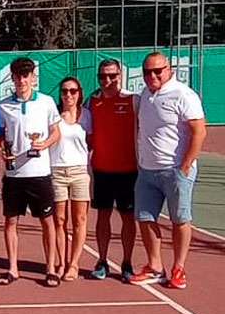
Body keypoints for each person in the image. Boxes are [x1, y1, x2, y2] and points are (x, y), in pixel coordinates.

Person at [130, 52, 206, 289]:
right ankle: (154, 266)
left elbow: (199, 132)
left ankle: (179, 268)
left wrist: (184, 167)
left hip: (175, 170)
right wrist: (140, 160)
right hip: (147, 171)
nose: (151, 76)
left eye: (157, 71)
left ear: (169, 69)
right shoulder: (144, 95)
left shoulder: (183, 94)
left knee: (180, 220)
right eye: (146, 72)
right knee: (144, 218)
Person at [0, 57, 61, 287]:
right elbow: (2, 138)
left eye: (26, 76)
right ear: (12, 78)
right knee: (10, 221)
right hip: (14, 176)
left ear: (33, 77)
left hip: (39, 173)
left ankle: (51, 268)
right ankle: (12, 268)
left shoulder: (46, 102)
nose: (22, 80)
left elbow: (56, 133)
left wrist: (44, 144)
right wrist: (4, 151)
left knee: (47, 221)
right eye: (18, 76)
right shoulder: (3, 105)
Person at [86, 59, 138, 282]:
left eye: (112, 76)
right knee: (102, 216)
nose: (107, 81)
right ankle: (102, 260)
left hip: (129, 170)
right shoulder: (92, 102)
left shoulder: (133, 100)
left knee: (128, 218)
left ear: (120, 75)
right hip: (101, 170)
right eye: (103, 76)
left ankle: (127, 263)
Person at [50, 77, 92, 282]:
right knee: (59, 220)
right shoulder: (53, 115)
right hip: (56, 171)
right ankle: (60, 262)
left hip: (80, 172)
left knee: (80, 219)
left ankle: (73, 264)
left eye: (73, 91)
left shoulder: (88, 116)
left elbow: (90, 143)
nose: (68, 95)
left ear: (79, 93)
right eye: (65, 91)